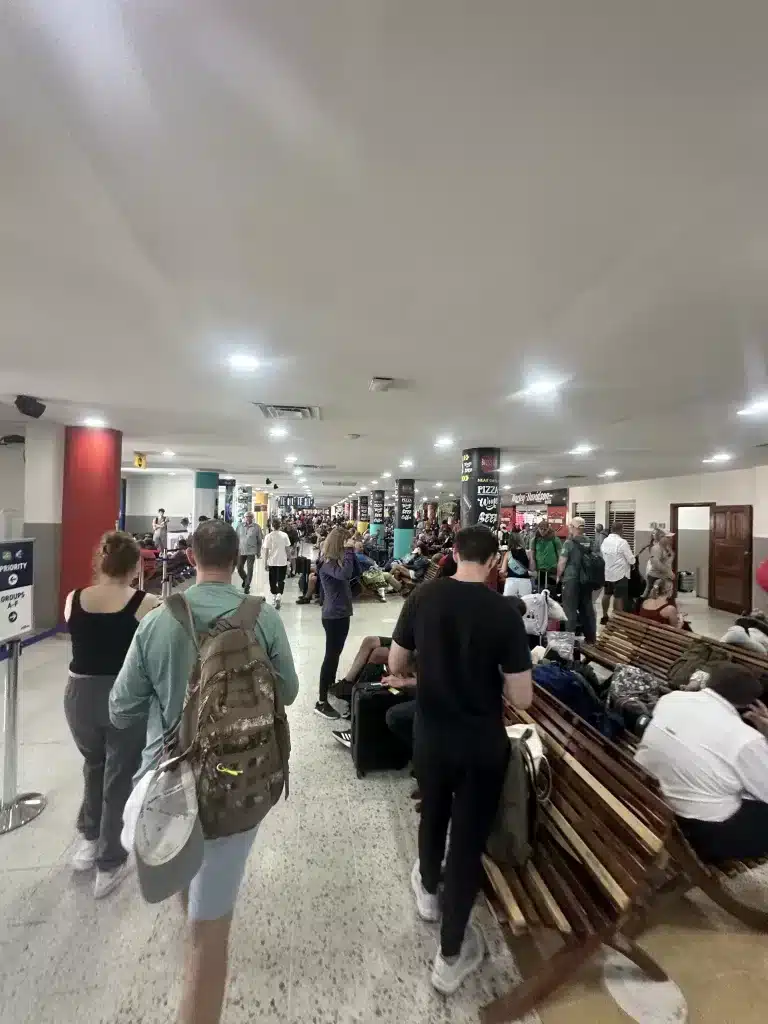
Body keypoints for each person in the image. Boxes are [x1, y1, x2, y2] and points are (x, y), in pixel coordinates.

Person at [109, 520, 299, 1024]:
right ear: (239, 559)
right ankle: (201, 923)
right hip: (238, 783)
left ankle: (190, 909)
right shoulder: (264, 619)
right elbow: (292, 693)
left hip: (168, 780)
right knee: (209, 940)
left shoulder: (156, 621)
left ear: (191, 557)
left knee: (183, 884)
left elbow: (120, 707)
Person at [390, 525, 533, 995]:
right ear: (495, 560)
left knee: (433, 813)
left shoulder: (424, 597)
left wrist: (428, 672)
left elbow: (395, 663)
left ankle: (428, 889)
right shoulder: (504, 613)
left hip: (431, 735)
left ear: (453, 554)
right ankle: (451, 955)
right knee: (468, 840)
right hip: (481, 745)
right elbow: (523, 696)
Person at [64, 531, 159, 898]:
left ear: (99, 562)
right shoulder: (147, 602)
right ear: (136, 566)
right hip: (124, 696)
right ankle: (110, 859)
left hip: (79, 696)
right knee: (120, 774)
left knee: (94, 765)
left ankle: (89, 840)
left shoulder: (75, 599)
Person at [635, 663, 768, 862]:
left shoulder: (671, 699)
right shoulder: (745, 738)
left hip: (654, 801)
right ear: (749, 705)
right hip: (701, 833)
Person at [316, 527, 356, 720]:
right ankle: (322, 701)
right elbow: (345, 575)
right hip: (334, 617)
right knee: (331, 657)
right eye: (345, 543)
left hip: (340, 614)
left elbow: (352, 571)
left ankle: (330, 693)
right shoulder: (327, 563)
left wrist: (350, 554)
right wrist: (349, 551)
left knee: (335, 656)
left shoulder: (334, 562)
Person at [556, 517, 597, 644]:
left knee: (570, 610)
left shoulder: (569, 543)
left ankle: (569, 641)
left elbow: (562, 562)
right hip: (586, 581)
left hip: (571, 580)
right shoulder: (590, 542)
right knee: (587, 609)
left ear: (573, 527)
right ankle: (591, 638)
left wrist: (558, 576)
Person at [600, 522, 635, 623]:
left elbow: (603, 554)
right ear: (621, 530)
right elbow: (631, 559)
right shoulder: (622, 542)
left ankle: (604, 616)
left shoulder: (605, 541)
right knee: (618, 597)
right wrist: (634, 560)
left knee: (606, 594)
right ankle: (616, 619)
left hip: (607, 573)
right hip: (620, 574)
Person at [262, 518, 291, 609]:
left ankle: (274, 596)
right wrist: (289, 559)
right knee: (281, 579)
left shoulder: (268, 536)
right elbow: (287, 549)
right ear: (280, 525)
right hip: (282, 561)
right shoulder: (284, 535)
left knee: (272, 580)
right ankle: (279, 595)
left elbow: (266, 551)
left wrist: (265, 562)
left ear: (271, 526)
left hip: (272, 561)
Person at [529, 521, 562, 593]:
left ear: (548, 529)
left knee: (552, 592)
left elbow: (560, 556)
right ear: (538, 528)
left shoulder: (555, 539)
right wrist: (533, 568)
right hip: (540, 570)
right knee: (540, 592)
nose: (542, 531)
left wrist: (560, 572)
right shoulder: (534, 540)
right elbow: (532, 556)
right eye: (541, 529)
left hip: (552, 570)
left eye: (545, 529)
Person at [236, 511, 263, 595]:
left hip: (251, 551)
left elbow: (259, 541)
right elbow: (236, 538)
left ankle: (247, 586)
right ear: (244, 518)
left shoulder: (257, 527)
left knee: (250, 569)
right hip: (241, 550)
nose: (248, 518)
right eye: (247, 516)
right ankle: (245, 579)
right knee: (239, 567)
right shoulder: (240, 526)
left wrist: (258, 552)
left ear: (252, 518)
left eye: (250, 516)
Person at [644, 530, 675, 597]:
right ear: (662, 538)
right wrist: (669, 572)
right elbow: (656, 564)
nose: (670, 539)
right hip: (655, 577)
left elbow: (667, 563)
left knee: (663, 599)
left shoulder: (666, 548)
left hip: (664, 577)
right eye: (668, 537)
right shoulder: (656, 549)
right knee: (651, 600)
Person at [503, 530, 532, 597]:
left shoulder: (508, 554)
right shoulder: (528, 553)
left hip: (511, 581)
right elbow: (532, 568)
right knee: (525, 604)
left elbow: (503, 570)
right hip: (525, 581)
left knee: (509, 604)